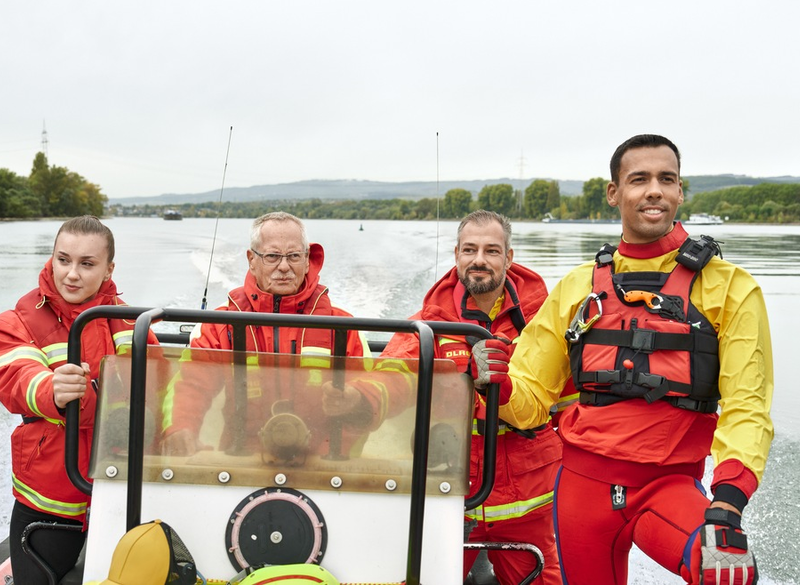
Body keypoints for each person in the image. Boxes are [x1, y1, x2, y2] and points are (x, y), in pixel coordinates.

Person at [473, 135, 773, 585]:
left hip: (667, 485)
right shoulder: (578, 287)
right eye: (639, 179)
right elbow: (531, 395)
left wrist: (728, 498)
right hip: (582, 488)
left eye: (666, 179)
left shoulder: (731, 288)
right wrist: (499, 384)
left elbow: (748, 406)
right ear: (614, 193)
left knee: (726, 568)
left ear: (679, 192)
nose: (654, 190)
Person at [382, 210, 566, 585]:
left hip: (527, 501)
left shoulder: (544, 323)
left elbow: (570, 403)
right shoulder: (429, 323)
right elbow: (390, 377)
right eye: (470, 249)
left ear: (509, 258)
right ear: (456, 255)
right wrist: (363, 400)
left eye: (491, 250)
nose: (479, 260)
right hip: (447, 494)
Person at [0, 215, 160, 585]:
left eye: (87, 264)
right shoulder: (16, 320)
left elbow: (161, 394)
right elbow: (15, 379)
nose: (71, 273)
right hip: (50, 497)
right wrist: (51, 390)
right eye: (63, 259)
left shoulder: (135, 324)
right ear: (52, 258)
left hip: (123, 489)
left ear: (108, 270)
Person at [161, 212, 391, 458]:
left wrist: (355, 403)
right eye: (272, 256)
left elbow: (369, 392)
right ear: (251, 259)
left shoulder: (343, 328)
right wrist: (180, 428)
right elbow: (192, 384)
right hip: (240, 463)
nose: (284, 266)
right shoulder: (220, 325)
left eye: (293, 256)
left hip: (324, 467)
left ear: (306, 260)